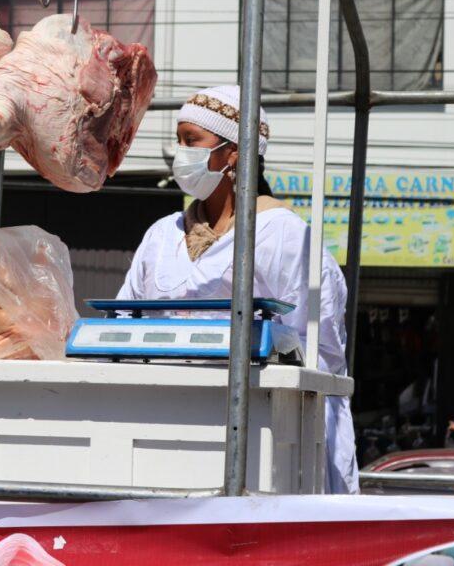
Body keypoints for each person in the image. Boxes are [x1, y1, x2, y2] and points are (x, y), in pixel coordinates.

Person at [117, 85, 360, 494]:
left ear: (234, 153)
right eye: (179, 141)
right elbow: (123, 323)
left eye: (191, 141)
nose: (181, 154)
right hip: (157, 430)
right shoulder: (161, 235)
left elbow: (321, 352)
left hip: (258, 440)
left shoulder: (285, 236)